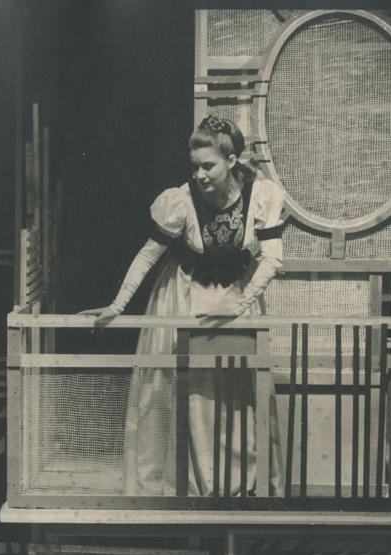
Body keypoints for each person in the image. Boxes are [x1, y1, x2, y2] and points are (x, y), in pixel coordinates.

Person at [86, 115, 286, 497]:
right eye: (194, 166)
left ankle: (238, 484)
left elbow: (272, 259)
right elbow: (148, 255)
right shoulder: (181, 200)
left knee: (236, 390)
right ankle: (184, 484)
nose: (199, 175)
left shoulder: (261, 195)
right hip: (186, 295)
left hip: (236, 298)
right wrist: (117, 304)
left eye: (208, 166)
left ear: (231, 161)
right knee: (183, 390)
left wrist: (239, 306)